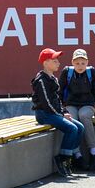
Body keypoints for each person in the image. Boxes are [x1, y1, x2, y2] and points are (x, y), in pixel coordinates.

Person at [31, 48, 85, 177]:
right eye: (54, 61)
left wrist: (64, 111)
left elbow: (57, 100)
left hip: (54, 113)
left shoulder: (53, 78)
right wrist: (61, 114)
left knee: (80, 127)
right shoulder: (41, 81)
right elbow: (46, 103)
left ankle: (69, 156)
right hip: (44, 114)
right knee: (72, 129)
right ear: (46, 63)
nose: (58, 63)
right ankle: (62, 158)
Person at [60, 48, 95, 172]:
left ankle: (94, 152)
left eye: (83, 63)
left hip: (88, 104)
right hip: (71, 104)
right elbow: (59, 92)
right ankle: (77, 154)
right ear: (72, 62)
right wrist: (63, 110)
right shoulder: (67, 72)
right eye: (77, 63)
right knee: (72, 119)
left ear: (87, 62)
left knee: (84, 115)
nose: (80, 66)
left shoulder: (92, 72)